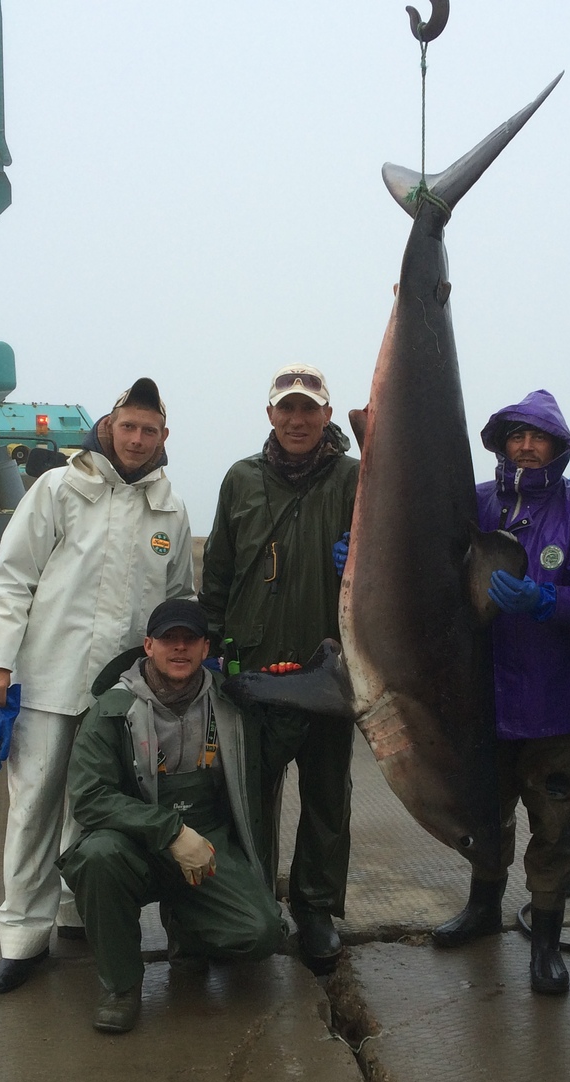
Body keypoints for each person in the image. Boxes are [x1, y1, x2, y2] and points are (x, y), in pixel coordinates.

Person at [0, 378, 195, 995]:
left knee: (94, 809)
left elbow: (178, 602)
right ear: (108, 426)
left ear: (163, 436)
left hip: (121, 696)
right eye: (128, 427)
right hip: (48, 680)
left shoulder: (169, 509)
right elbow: (12, 578)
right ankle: (21, 939)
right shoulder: (59, 488)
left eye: (149, 430)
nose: (136, 439)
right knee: (35, 809)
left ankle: (76, 912)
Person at [431, 390, 570, 995]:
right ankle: (483, 908)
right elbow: (428, 569)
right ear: (501, 443)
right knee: (486, 814)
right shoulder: (474, 503)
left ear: (557, 444)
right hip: (482, 700)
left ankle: (547, 940)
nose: (526, 447)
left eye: (538, 436)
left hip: (552, 701)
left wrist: (547, 600)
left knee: (553, 824)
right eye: (516, 436)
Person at [58, 598, 285, 1033]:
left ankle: (188, 925)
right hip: (136, 845)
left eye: (190, 640)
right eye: (168, 639)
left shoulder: (231, 703)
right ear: (148, 645)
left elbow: (267, 759)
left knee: (262, 933)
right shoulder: (111, 709)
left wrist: (290, 702)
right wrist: (170, 831)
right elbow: (88, 797)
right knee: (97, 857)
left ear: (206, 649)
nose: (179, 649)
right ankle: (121, 987)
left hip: (208, 842)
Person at [199, 363, 358, 968]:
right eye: (286, 409)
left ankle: (316, 911)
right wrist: (210, 645)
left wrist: (357, 558)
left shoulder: (353, 478)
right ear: (270, 415)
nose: (297, 420)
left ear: (327, 415)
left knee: (326, 799)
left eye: (308, 409)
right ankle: (254, 902)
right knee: (248, 799)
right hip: (252, 673)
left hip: (327, 673)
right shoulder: (240, 480)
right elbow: (216, 569)